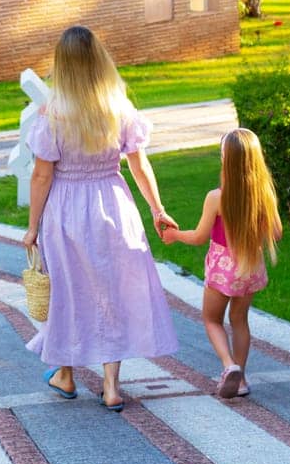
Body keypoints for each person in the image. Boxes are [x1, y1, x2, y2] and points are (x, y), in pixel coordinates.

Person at [22, 25, 180, 412]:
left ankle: (67, 373)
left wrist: (31, 227)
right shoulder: (118, 106)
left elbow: (42, 175)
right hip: (112, 203)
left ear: (63, 65)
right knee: (110, 293)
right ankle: (111, 386)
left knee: (68, 292)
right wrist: (158, 209)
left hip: (66, 209)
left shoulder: (54, 114)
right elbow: (140, 166)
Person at [162, 128, 283, 399]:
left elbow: (199, 236)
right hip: (250, 267)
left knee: (211, 319)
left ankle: (229, 366)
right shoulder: (265, 194)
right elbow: (276, 233)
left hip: (222, 269)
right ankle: (241, 380)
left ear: (225, 160)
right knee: (239, 320)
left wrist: (174, 235)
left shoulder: (216, 197)